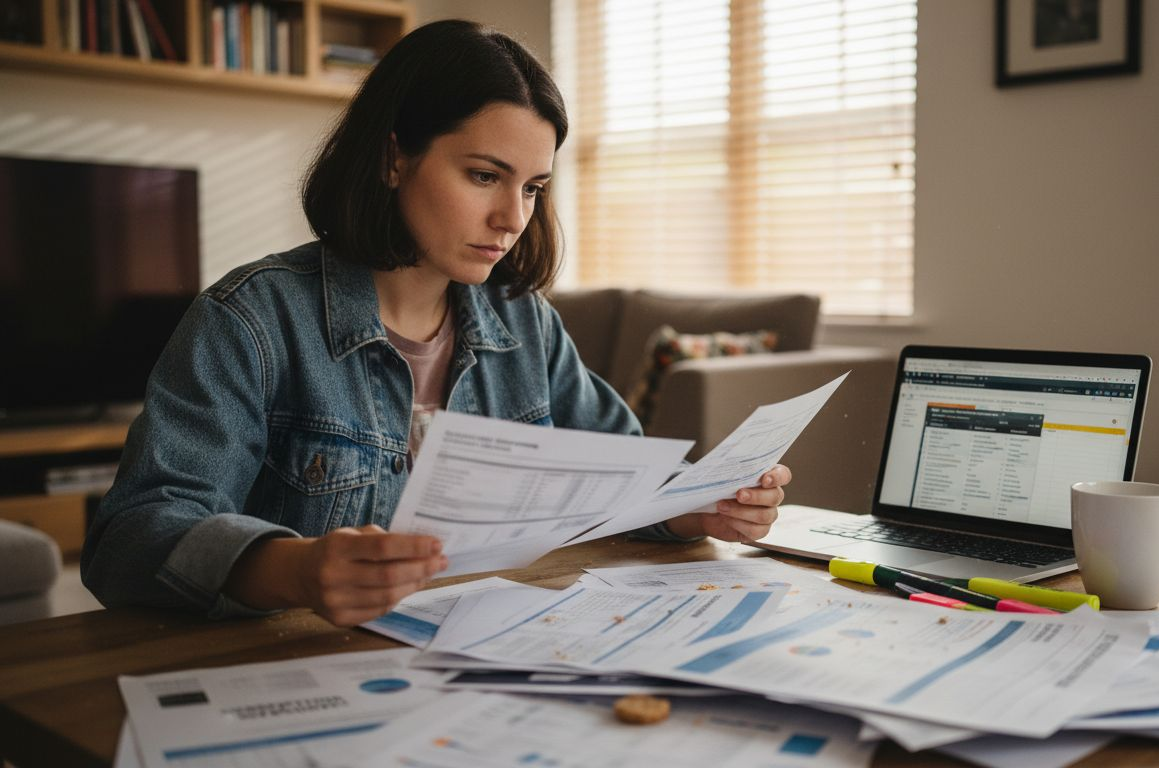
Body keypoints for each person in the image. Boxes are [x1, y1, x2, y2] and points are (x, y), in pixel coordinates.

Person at [81, 20, 790, 628]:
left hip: (484, 650)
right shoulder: (252, 321)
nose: (513, 218)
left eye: (533, 188)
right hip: (300, 661)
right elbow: (130, 537)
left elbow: (625, 473)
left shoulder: (525, 324)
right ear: (394, 157)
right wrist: (293, 569)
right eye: (484, 176)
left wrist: (697, 507)